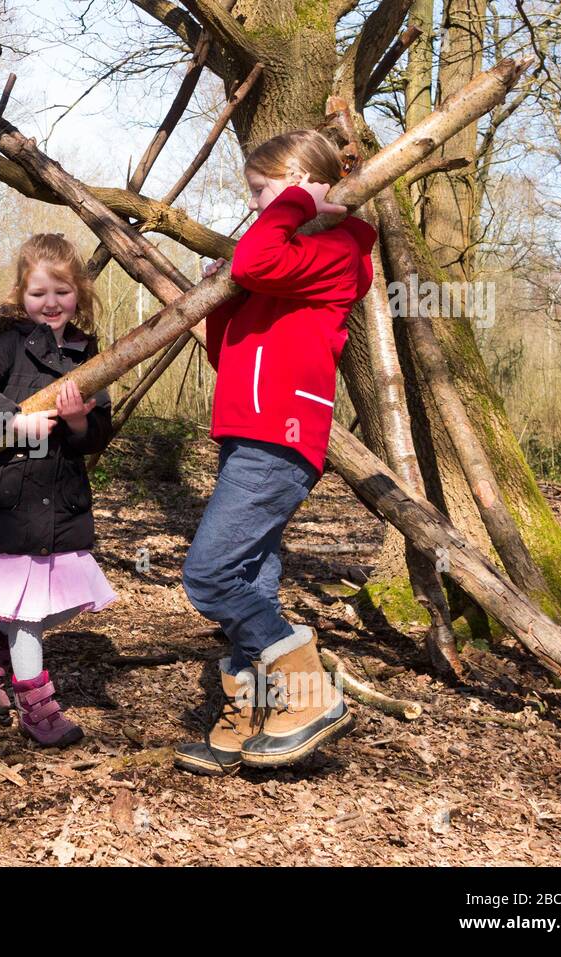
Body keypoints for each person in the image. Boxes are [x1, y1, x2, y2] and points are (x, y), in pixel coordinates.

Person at [174, 130, 376, 776]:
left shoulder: (336, 251)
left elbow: (259, 262)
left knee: (209, 575)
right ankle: (251, 711)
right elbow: (226, 356)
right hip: (248, 431)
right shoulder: (284, 253)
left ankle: (309, 692)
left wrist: (286, 207)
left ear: (300, 186)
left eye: (265, 192)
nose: (258, 206)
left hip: (281, 434)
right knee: (251, 577)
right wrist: (218, 301)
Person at [0, 233, 117, 748]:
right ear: (22, 295)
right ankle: (38, 708)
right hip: (8, 504)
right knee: (27, 617)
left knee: (69, 599)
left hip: (58, 504)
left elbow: (98, 434)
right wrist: (13, 423)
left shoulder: (89, 356)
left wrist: (79, 423)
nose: (51, 304)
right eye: (39, 293)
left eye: (61, 292)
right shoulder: (9, 343)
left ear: (79, 294)